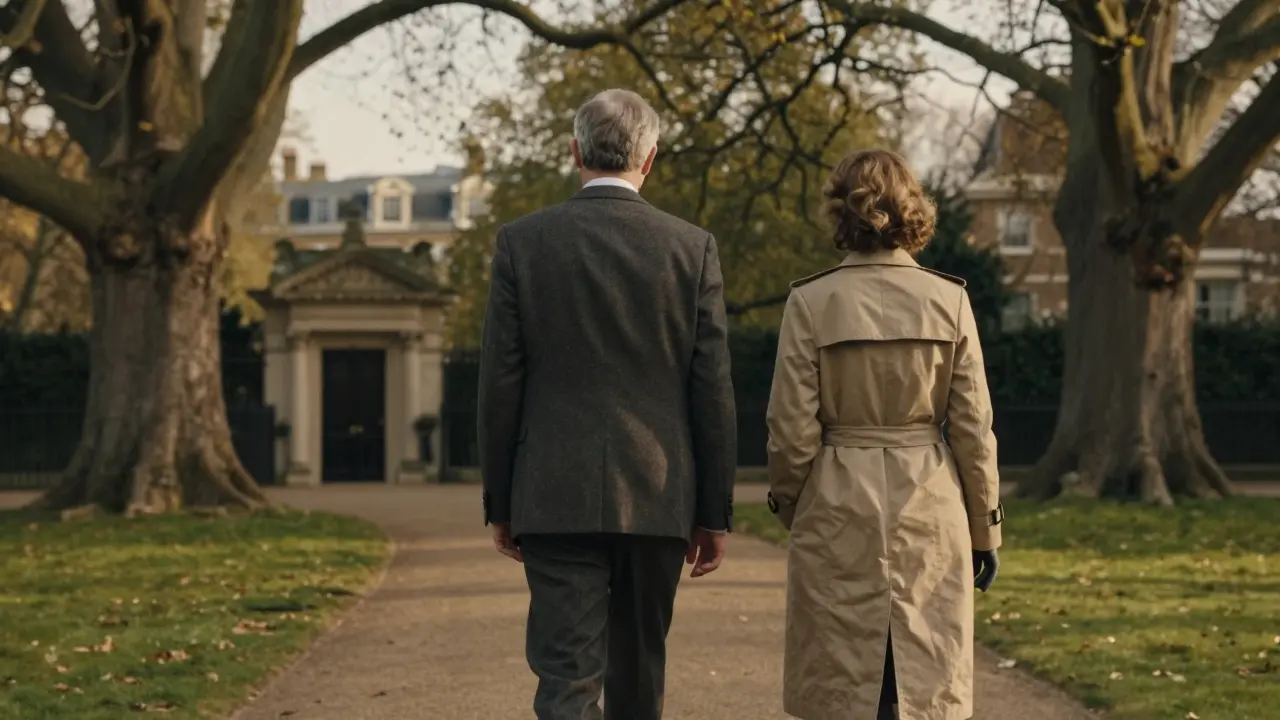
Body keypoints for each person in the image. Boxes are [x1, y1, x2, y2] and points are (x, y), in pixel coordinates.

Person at [477, 88, 737, 720]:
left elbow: (500, 382)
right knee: (639, 675)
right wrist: (713, 511)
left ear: (574, 152)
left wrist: (501, 500)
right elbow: (711, 389)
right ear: (649, 160)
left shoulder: (522, 243)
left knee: (565, 678)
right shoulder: (690, 248)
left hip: (553, 492)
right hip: (657, 491)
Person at [764, 149, 1003, 720]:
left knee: (844, 683)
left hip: (838, 496)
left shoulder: (811, 301)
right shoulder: (949, 300)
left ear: (840, 211)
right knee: (921, 676)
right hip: (929, 497)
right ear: (910, 210)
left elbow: (790, 431)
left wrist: (794, 507)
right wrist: (985, 528)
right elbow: (973, 428)